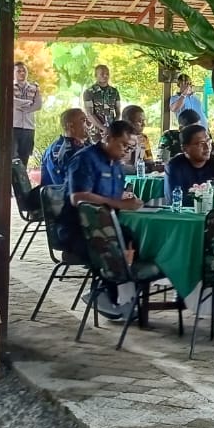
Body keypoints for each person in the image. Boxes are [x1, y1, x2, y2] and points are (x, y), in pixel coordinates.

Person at [64, 120, 144, 318]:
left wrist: (126, 200)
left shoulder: (117, 165)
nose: (127, 151)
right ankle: (104, 294)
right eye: (123, 145)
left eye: (131, 147)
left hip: (108, 227)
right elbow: (78, 197)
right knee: (115, 245)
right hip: (78, 230)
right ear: (107, 138)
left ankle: (122, 298)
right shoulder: (85, 159)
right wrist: (119, 204)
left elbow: (113, 198)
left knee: (139, 240)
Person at [165, 125, 214, 204]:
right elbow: (174, 199)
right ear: (185, 148)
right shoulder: (175, 166)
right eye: (201, 143)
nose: (207, 147)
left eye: (208, 141)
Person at [40, 109, 91, 188]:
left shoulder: (82, 145)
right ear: (70, 126)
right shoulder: (68, 151)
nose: (89, 124)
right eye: (83, 120)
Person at [13, 63, 43, 167]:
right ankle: (10, 182)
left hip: (29, 127)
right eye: (18, 71)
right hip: (13, 127)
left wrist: (24, 107)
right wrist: (28, 102)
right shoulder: (10, 86)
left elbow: (38, 105)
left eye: (24, 71)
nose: (22, 73)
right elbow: (13, 102)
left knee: (24, 157)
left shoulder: (34, 88)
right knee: (13, 157)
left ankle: (22, 182)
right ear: (13, 73)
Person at [82, 64, 121, 141]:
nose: (105, 75)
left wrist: (112, 128)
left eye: (107, 73)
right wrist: (104, 128)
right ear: (96, 75)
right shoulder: (89, 92)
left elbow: (118, 112)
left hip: (111, 133)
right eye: (102, 73)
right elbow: (90, 114)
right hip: (96, 133)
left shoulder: (114, 92)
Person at [120, 105, 160, 173]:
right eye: (140, 121)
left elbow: (149, 160)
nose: (144, 124)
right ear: (129, 123)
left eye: (144, 120)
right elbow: (124, 166)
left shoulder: (143, 138)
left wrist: (157, 166)